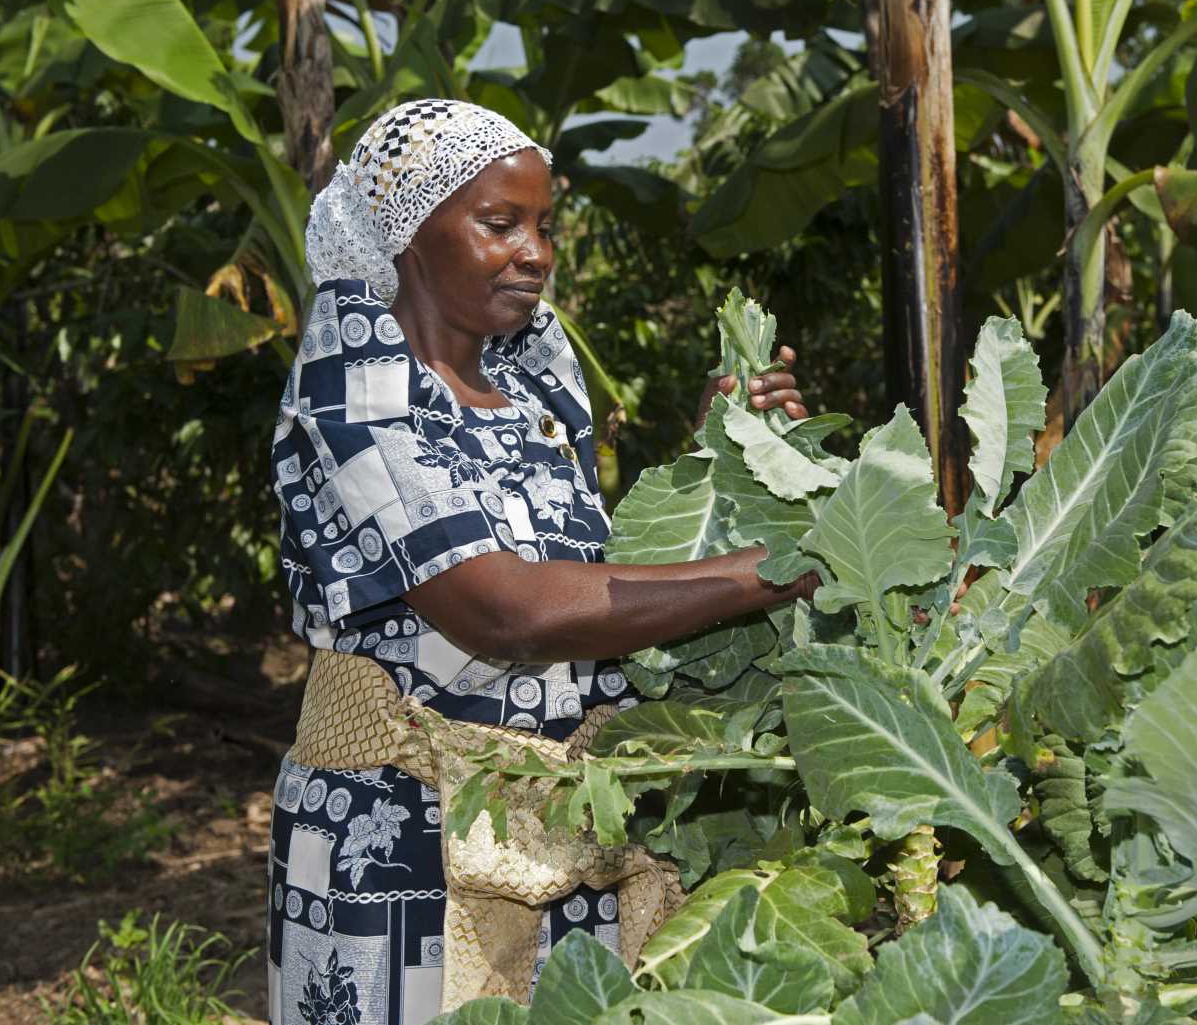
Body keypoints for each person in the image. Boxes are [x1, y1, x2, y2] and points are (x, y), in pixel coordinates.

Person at [265, 99, 814, 1025]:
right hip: (400, 837)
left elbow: (583, 560)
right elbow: (503, 609)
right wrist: (767, 571)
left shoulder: (532, 372)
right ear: (407, 235)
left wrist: (721, 458)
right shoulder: (352, 376)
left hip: (567, 821)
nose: (536, 251)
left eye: (545, 224)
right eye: (499, 222)